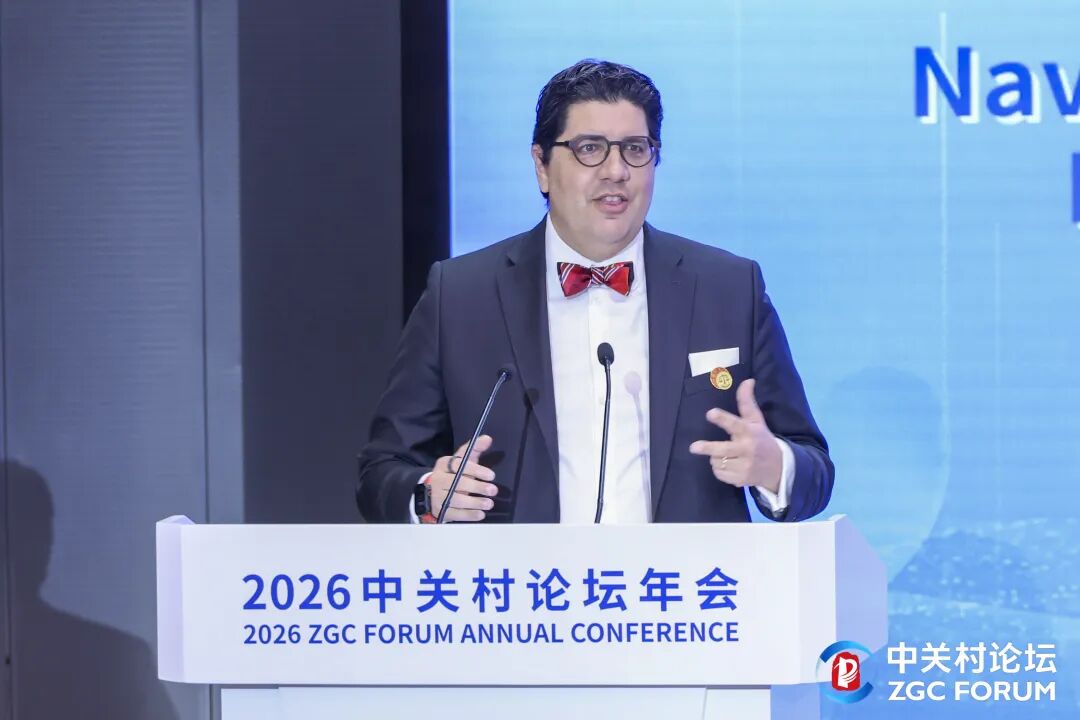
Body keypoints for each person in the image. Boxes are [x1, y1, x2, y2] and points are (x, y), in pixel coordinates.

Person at [357, 59, 832, 524]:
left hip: (690, 577)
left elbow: (814, 468)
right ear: (541, 166)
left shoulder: (728, 288)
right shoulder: (461, 295)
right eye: (590, 148)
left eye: (635, 149)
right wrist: (427, 495)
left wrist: (775, 467)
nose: (615, 170)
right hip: (522, 576)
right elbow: (381, 472)